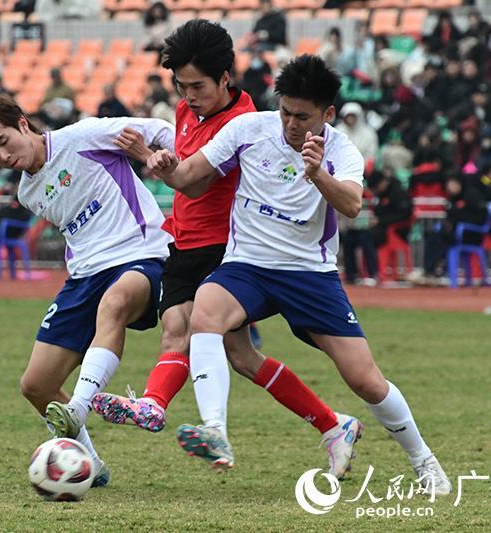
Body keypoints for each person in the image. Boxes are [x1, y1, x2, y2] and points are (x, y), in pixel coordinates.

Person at [144, 55, 451, 494]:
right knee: (205, 314)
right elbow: (189, 174)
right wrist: (166, 166)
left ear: (327, 114)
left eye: (302, 117)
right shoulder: (249, 128)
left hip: (309, 274)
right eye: (285, 111)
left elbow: (351, 205)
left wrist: (317, 174)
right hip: (248, 265)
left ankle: (425, 463)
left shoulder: (341, 150)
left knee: (365, 379)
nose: (290, 123)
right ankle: (215, 430)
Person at [92, 21, 362, 480]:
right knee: (233, 353)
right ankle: (332, 423)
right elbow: (181, 174)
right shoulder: (184, 111)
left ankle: (160, 406)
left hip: (229, 248)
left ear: (224, 78)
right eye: (181, 86)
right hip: (185, 240)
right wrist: (159, 161)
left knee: (188, 331)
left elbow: (196, 184)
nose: (188, 95)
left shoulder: (247, 121)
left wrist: (157, 164)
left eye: (197, 86)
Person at [0, 91, 175, 488]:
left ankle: (78, 407)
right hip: (84, 277)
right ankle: (89, 465)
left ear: (23, 123)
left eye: (3, 141)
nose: (3, 156)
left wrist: (172, 160)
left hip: (140, 254)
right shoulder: (27, 192)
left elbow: (158, 130)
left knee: (114, 303)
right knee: (35, 385)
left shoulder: (84, 136)